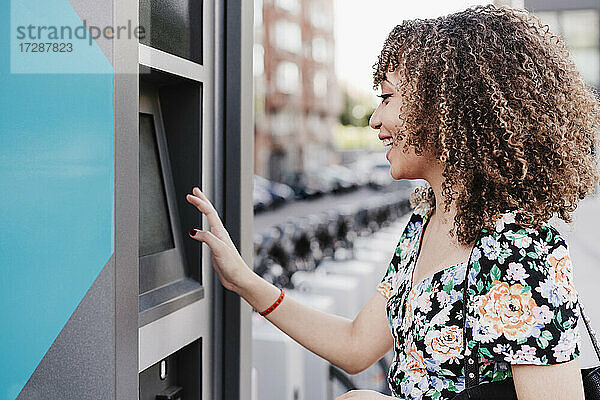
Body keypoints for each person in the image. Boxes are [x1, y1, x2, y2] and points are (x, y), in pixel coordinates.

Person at [186, 4, 600, 399]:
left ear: (444, 109)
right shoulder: (424, 225)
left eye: (388, 98)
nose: (374, 119)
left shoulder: (518, 249)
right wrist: (244, 280)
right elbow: (355, 344)